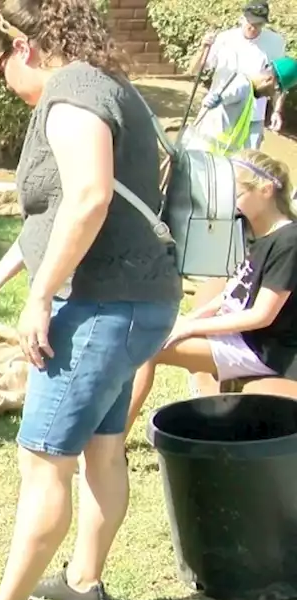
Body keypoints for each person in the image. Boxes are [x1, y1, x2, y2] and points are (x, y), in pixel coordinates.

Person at [0, 1, 182, 600]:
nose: (4, 84)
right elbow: (57, 214)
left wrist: (39, 298)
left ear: (26, 48)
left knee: (44, 464)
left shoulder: (69, 95)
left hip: (100, 309)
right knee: (104, 447)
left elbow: (90, 198)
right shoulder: (108, 86)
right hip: (139, 305)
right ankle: (84, 584)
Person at [127, 150, 297, 433]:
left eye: (237, 194)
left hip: (265, 350)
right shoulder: (259, 234)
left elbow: (261, 316)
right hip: (247, 340)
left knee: (148, 349)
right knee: (149, 338)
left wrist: (193, 328)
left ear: (266, 190)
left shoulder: (289, 241)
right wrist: (188, 322)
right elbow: (232, 295)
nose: (230, 203)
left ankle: (111, 445)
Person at [191, 1, 287, 148]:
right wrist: (202, 49)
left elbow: (278, 81)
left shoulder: (275, 42)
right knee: (207, 157)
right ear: (242, 18)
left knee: (247, 165)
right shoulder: (224, 39)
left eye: (259, 24)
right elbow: (195, 70)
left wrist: (277, 111)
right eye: (250, 22)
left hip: (252, 118)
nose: (253, 28)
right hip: (218, 112)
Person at [186, 56, 297, 155]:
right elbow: (223, 95)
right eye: (276, 90)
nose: (271, 95)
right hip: (202, 155)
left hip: (214, 158)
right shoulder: (242, 85)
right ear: (269, 80)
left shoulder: (249, 93)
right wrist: (215, 99)